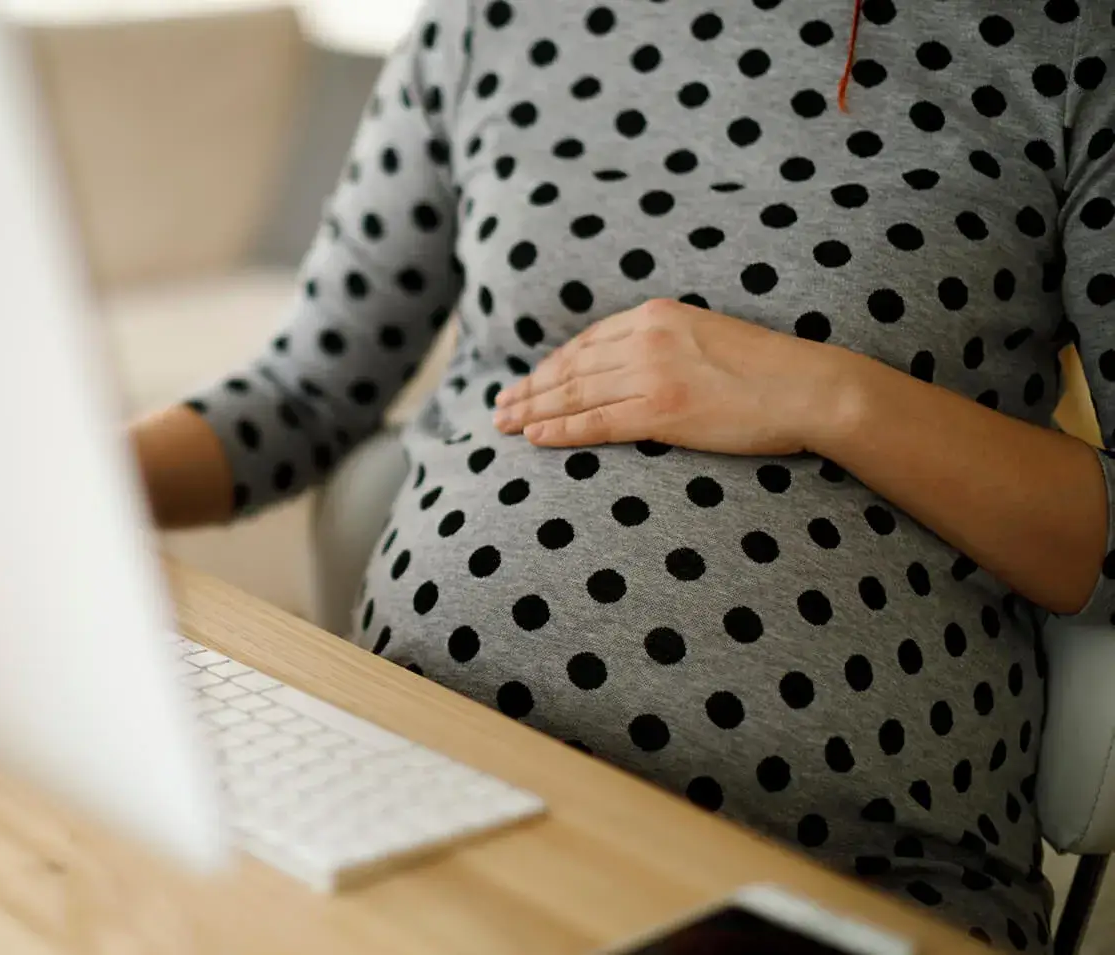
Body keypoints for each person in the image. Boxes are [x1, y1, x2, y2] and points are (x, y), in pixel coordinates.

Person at [129, 0, 1115, 948]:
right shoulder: (490, 20)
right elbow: (303, 394)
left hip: (831, 869)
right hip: (407, 788)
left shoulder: (1067, 41)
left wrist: (827, 398)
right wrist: (42, 487)